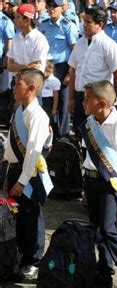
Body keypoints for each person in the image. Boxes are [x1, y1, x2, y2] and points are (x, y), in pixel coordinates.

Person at [80, 80, 117, 288]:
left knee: (108, 228)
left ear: (102, 103)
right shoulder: (89, 122)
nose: (83, 102)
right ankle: (104, 271)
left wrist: (113, 167)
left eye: (87, 99)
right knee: (97, 229)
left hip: (110, 183)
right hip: (91, 180)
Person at [3, 68, 51, 280]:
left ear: (31, 88)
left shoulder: (38, 115)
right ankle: (21, 256)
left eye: (18, 84)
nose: (13, 88)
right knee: (19, 217)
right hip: (15, 170)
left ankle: (34, 261)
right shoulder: (20, 109)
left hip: (29, 175)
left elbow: (33, 150)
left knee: (32, 218)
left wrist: (23, 181)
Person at [68, 7, 117, 136]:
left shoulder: (109, 45)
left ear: (100, 25)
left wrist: (112, 98)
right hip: (80, 96)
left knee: (95, 137)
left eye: (88, 22)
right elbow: (73, 71)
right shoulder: (80, 43)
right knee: (79, 134)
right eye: (84, 21)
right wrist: (71, 98)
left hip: (98, 99)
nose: (84, 25)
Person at [41, 0, 79, 138]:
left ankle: (63, 135)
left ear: (61, 8)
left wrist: (70, 72)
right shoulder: (44, 24)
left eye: (54, 7)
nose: (51, 9)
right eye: (49, 6)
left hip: (62, 65)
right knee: (46, 98)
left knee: (63, 100)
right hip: (46, 65)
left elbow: (74, 50)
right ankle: (47, 131)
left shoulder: (68, 25)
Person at [7, 4, 49, 73]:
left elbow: (35, 68)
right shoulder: (16, 38)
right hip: (16, 80)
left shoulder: (40, 39)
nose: (15, 20)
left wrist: (18, 67)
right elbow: (10, 66)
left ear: (27, 20)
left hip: (33, 81)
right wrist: (26, 66)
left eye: (18, 17)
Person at [41, 61, 60, 138]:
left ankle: (53, 137)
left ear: (49, 71)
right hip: (41, 100)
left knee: (49, 121)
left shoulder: (55, 81)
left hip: (49, 102)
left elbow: (56, 96)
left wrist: (54, 109)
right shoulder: (41, 79)